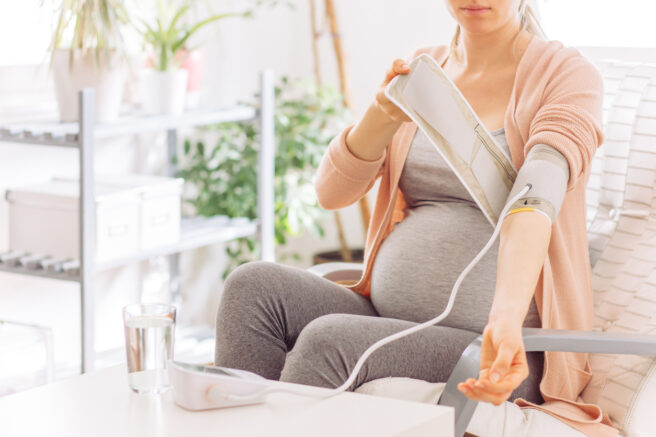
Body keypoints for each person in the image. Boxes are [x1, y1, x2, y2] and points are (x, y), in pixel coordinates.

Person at [215, 1, 617, 435]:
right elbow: (331, 193)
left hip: (499, 348)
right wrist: (383, 113)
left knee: (330, 341)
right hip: (391, 318)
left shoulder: (566, 75)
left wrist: (504, 319)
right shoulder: (425, 70)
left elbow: (536, 197)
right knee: (252, 287)